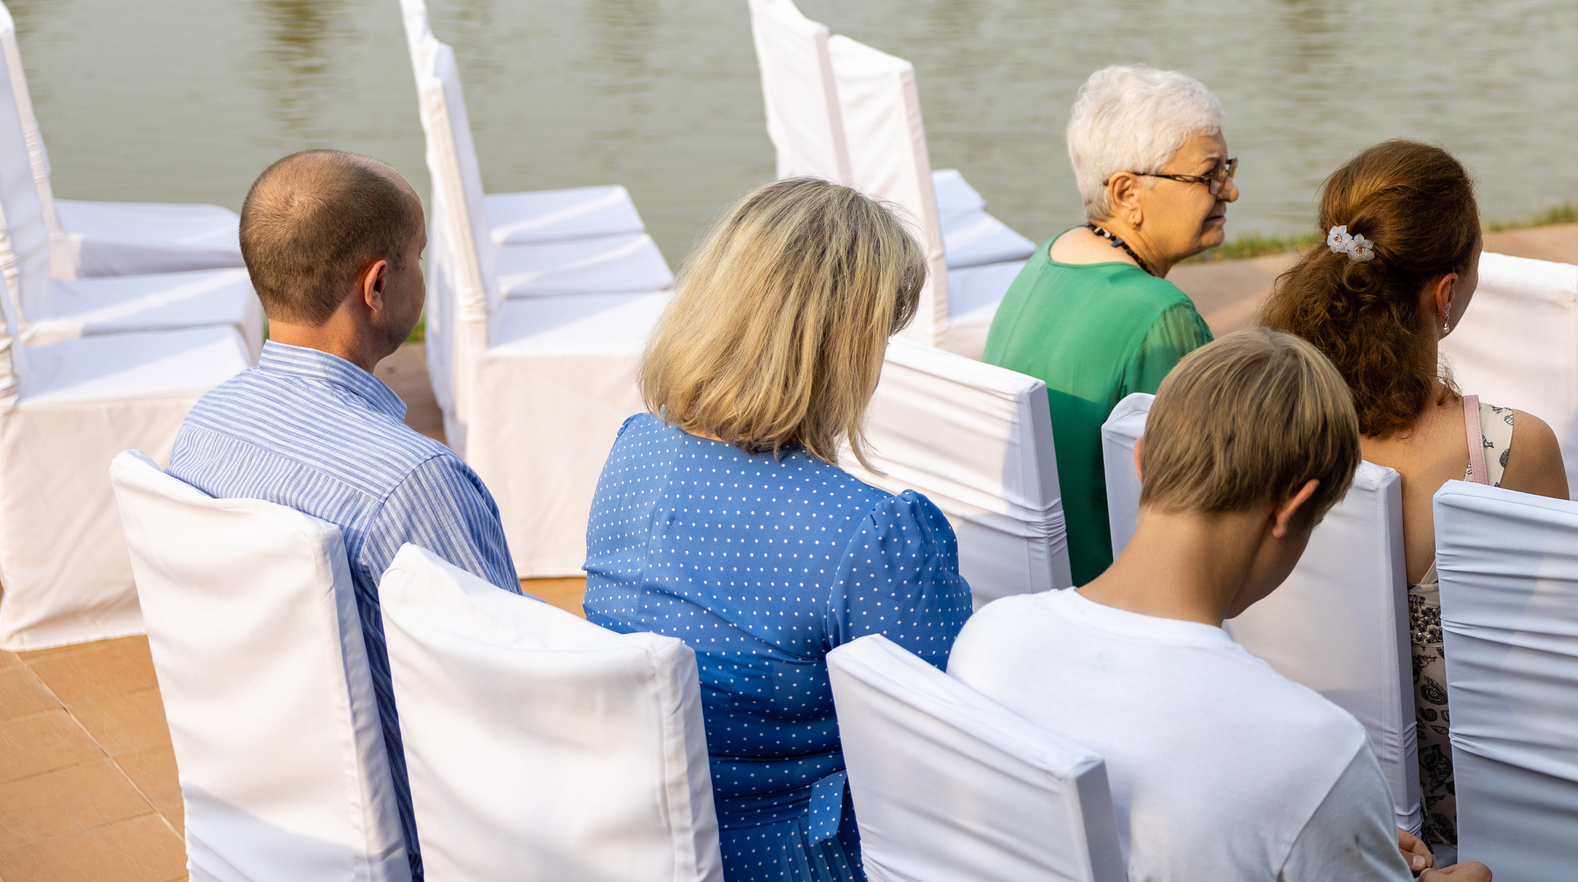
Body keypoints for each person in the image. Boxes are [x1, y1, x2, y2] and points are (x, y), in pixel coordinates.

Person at [949, 331, 1491, 882]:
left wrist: (1333, 829)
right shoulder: (1310, 750)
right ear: (1292, 508)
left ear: (1141, 461)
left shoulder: (987, 641)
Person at [584, 179, 972, 882]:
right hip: (802, 859)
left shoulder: (633, 450)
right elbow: (948, 762)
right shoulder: (876, 535)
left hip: (637, 839)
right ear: (838, 348)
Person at [168, 150, 519, 880]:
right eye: (419, 257)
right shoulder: (416, 484)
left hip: (259, 807)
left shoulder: (205, 426)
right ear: (379, 285)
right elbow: (511, 703)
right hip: (417, 838)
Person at [1258, 140, 1566, 857]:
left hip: (1311, 804)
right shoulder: (1511, 451)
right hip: (1477, 828)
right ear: (1447, 292)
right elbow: (1552, 658)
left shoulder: (1271, 435)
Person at [981, 64, 1233, 582]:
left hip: (1032, 583)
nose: (1229, 192)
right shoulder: (1162, 316)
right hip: (1117, 595)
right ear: (1126, 194)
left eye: (1226, 168)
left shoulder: (1050, 257)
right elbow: (1206, 510)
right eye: (1208, 176)